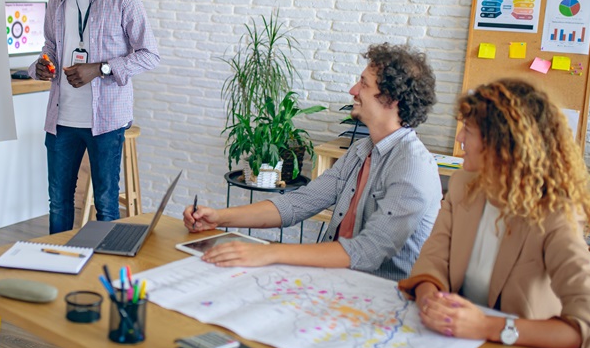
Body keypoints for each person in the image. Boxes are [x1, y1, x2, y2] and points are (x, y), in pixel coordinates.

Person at [184, 43, 441, 281]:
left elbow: (368, 251)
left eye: (363, 84)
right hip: (337, 282)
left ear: (392, 99)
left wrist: (270, 252)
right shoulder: (361, 150)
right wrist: (218, 217)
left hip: (381, 298)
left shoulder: (412, 166)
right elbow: (299, 203)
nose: (353, 90)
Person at [399, 79, 590, 348]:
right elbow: (433, 259)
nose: (460, 138)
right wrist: (430, 299)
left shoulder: (555, 212)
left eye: (470, 131)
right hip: (452, 344)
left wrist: (487, 327)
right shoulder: (464, 184)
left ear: (503, 144)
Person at [30, 0, 159, 234]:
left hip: (107, 119)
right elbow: (50, 46)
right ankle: (57, 266)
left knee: (106, 203)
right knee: (58, 201)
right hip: (62, 120)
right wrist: (41, 66)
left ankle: (106, 274)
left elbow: (149, 55)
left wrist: (100, 69)